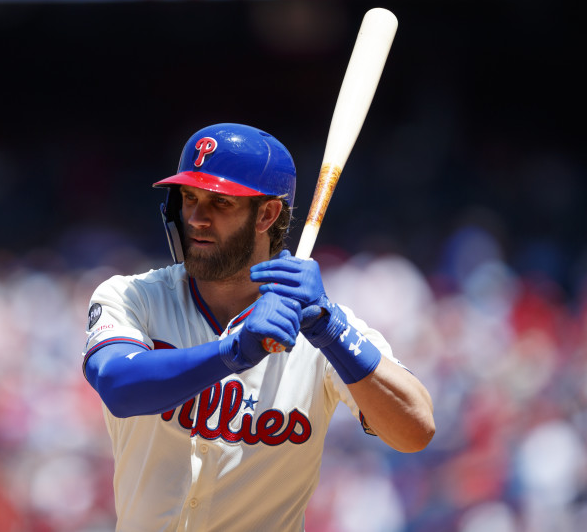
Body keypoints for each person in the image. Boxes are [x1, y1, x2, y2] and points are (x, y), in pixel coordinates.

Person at [81, 123, 435, 531]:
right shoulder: (134, 296)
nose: (196, 218)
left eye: (219, 203)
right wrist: (231, 352)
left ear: (266, 214)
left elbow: (416, 429)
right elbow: (118, 385)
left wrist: (331, 332)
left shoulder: (318, 324)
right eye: (190, 198)